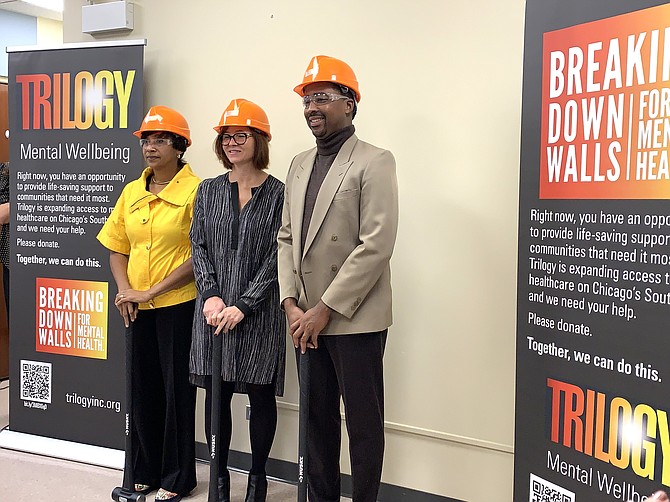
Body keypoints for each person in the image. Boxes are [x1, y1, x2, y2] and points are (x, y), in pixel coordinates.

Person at [277, 55, 399, 502]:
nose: (312, 106)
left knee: (363, 426)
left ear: (350, 103)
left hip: (352, 317)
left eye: (323, 97)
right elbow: (286, 236)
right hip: (304, 318)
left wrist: (323, 310)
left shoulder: (375, 161)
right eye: (307, 99)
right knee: (316, 420)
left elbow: (376, 244)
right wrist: (291, 304)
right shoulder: (297, 164)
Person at [97, 106, 201, 502]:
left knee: (177, 392)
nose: (150, 147)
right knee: (141, 391)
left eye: (160, 140)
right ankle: (142, 472)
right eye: (146, 140)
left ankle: (177, 479)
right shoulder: (132, 192)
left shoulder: (198, 190)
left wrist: (150, 292)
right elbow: (117, 248)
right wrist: (127, 292)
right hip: (136, 307)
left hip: (177, 305)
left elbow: (200, 256)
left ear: (179, 146)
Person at [189, 99, 285, 502]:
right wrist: (211, 296)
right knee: (217, 394)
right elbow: (199, 246)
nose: (232, 143)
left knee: (260, 394)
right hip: (212, 311)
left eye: (241, 135)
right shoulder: (208, 190)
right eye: (226, 136)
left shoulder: (280, 192)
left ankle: (258, 479)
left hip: (258, 312)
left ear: (259, 140)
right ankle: (221, 478)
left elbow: (280, 255)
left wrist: (243, 304)